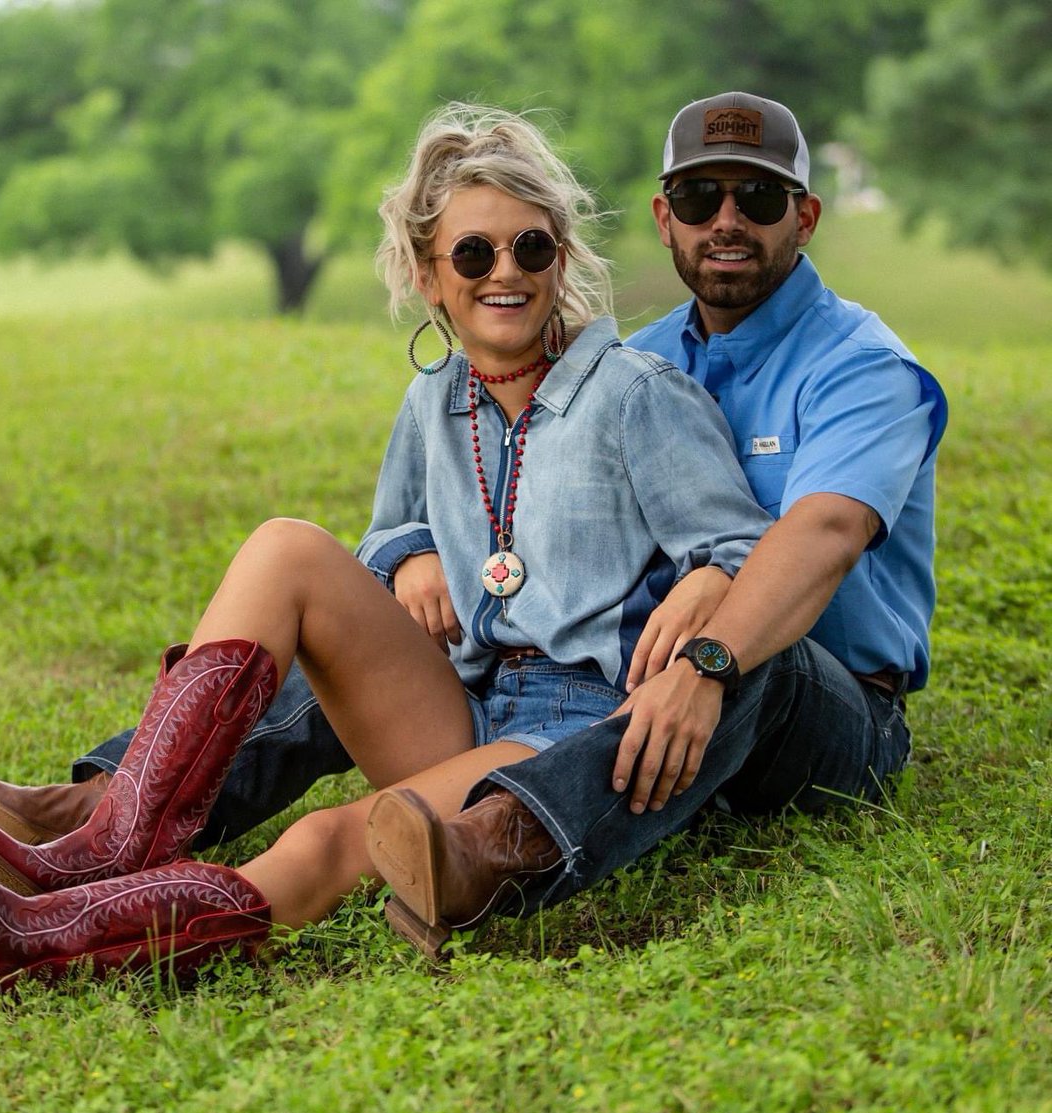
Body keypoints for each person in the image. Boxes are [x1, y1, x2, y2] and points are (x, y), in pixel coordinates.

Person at [0, 103, 771, 1001]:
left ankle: (39, 951)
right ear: (429, 276)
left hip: (575, 725)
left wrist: (710, 573)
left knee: (322, 840)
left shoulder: (635, 394)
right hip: (462, 699)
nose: (505, 273)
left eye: (532, 249)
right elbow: (385, 533)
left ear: (563, 259)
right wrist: (408, 557)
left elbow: (746, 546)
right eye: (473, 254)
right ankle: (112, 845)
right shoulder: (435, 399)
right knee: (286, 547)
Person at [363, 90, 947, 952]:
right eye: (698, 197)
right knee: (382, 620)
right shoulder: (642, 364)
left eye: (757, 198)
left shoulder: (862, 369)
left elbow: (822, 535)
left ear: (806, 216)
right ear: (664, 218)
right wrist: (413, 550)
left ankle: (493, 851)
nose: (726, 220)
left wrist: (709, 661)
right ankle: (134, 797)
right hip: (642, 686)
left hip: (821, 707)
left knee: (751, 639)